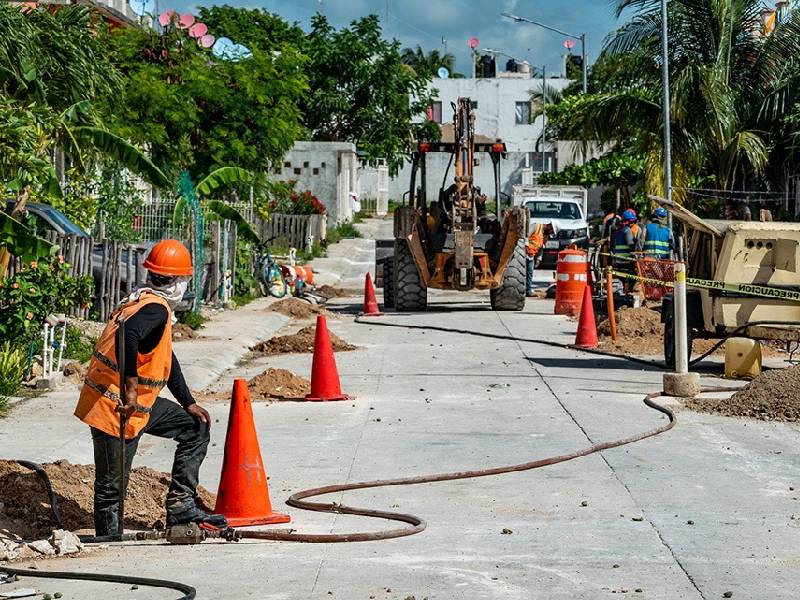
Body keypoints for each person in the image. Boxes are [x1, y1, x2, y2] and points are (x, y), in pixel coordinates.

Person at [74, 239, 227, 536]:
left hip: (140, 406)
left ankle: (181, 504)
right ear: (177, 282)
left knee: (195, 428)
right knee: (112, 486)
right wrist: (130, 388)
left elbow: (165, 357)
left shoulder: (140, 301)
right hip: (116, 407)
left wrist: (188, 402)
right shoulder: (154, 309)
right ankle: (109, 539)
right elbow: (129, 337)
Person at [526, 222, 546, 297]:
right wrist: (525, 246)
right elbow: (526, 236)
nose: (551, 233)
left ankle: (528, 290)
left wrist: (538, 259)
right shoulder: (536, 226)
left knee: (530, 272)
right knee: (524, 273)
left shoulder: (545, 235)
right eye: (551, 231)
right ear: (549, 226)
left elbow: (541, 248)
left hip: (531, 255)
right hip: (524, 253)